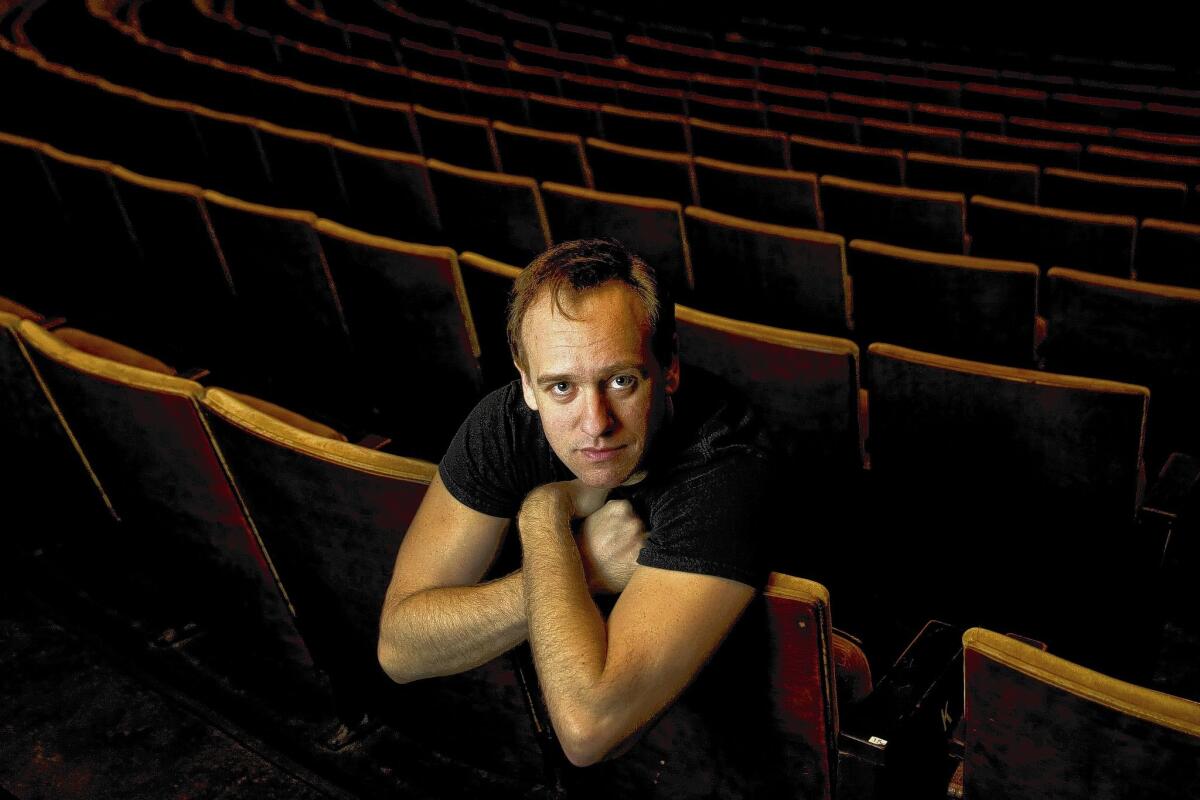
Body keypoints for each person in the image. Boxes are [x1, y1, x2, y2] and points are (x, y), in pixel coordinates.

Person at [377, 239, 775, 790]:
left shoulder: (724, 469)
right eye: (561, 387)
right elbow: (400, 649)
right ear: (526, 385)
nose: (595, 423)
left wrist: (543, 510)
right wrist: (576, 560)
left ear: (672, 366)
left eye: (621, 380)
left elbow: (588, 732)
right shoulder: (506, 422)